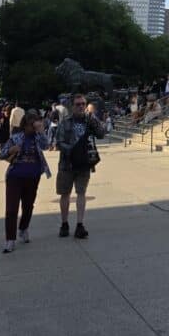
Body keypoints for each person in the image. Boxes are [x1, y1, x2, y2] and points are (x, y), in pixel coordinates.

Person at [0, 109, 51, 253]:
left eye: (35, 125)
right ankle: (10, 239)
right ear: (25, 125)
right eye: (31, 125)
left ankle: (23, 228)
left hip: (33, 176)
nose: (32, 128)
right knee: (11, 208)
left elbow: (47, 145)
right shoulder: (16, 137)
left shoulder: (37, 137)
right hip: (15, 176)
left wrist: (41, 131)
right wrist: (10, 151)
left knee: (28, 206)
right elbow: (1, 155)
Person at [55, 93, 106, 239]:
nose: (81, 106)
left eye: (83, 104)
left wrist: (94, 119)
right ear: (72, 106)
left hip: (84, 164)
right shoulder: (65, 122)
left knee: (81, 193)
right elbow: (59, 141)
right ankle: (64, 223)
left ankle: (79, 224)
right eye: (78, 104)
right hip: (67, 164)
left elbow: (101, 134)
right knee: (65, 194)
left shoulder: (89, 120)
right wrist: (73, 150)